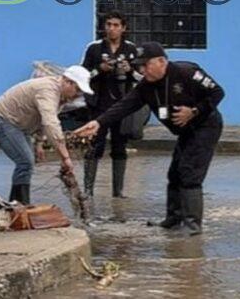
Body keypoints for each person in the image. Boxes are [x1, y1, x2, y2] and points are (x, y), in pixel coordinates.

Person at [74, 42, 225, 236]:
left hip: (205, 126)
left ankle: (192, 225)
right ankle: (173, 218)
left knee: (190, 173)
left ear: (162, 61)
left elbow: (218, 92)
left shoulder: (186, 72)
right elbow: (124, 105)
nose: (142, 70)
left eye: (146, 65)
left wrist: (194, 111)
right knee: (174, 174)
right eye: (139, 66)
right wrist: (98, 123)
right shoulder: (146, 87)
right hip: (185, 131)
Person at [0, 66, 93, 204]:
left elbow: (42, 120)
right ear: (68, 82)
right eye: (78, 90)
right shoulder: (48, 90)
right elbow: (51, 123)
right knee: (25, 162)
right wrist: (65, 157)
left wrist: (39, 143)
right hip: (3, 119)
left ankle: (17, 204)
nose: (78, 95)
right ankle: (20, 205)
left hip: (20, 125)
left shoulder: (61, 96)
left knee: (27, 163)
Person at [80, 11, 139, 199]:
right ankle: (88, 189)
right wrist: (100, 69)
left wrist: (129, 70)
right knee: (94, 146)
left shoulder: (131, 50)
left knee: (119, 147)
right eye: (108, 25)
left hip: (122, 105)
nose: (112, 29)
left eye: (116, 25)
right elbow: (82, 76)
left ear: (123, 28)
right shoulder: (94, 48)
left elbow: (141, 77)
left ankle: (118, 191)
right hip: (99, 104)